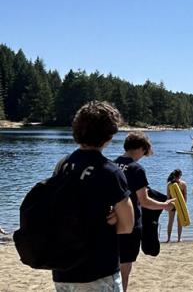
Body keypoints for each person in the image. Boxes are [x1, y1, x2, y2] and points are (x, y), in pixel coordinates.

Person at [52, 101, 134, 291]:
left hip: (62, 269)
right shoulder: (109, 171)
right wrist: (113, 219)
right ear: (108, 135)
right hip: (97, 269)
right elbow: (127, 226)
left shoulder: (62, 165)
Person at [114, 132, 174, 291]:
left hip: (113, 223)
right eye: (145, 152)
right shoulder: (136, 169)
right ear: (140, 148)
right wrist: (164, 205)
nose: (143, 156)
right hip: (130, 224)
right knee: (124, 270)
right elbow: (144, 201)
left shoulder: (113, 165)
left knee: (112, 269)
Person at [166, 169, 187, 242]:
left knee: (179, 221)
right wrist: (167, 205)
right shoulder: (170, 184)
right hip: (173, 204)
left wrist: (184, 205)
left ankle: (178, 238)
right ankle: (169, 238)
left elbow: (185, 195)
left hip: (180, 204)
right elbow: (168, 196)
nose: (178, 178)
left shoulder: (182, 184)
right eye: (177, 176)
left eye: (178, 176)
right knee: (171, 221)